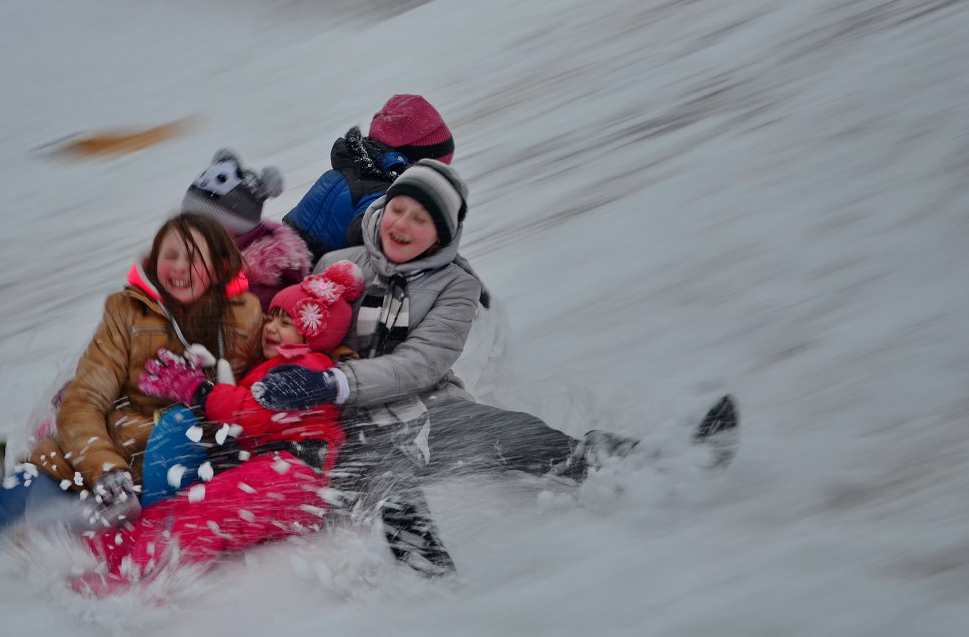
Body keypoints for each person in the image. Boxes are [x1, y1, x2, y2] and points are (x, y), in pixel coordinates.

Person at [251, 160, 740, 576]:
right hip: (350, 426)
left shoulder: (455, 286)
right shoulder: (338, 265)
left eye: (420, 219)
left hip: (431, 410)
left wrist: (337, 380)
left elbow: (423, 364)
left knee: (518, 433)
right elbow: (296, 331)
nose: (401, 224)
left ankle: (656, 463)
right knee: (392, 486)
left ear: (441, 234)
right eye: (398, 208)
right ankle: (427, 594)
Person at [0, 213, 264, 550]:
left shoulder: (243, 318)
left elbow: (252, 394)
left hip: (167, 470)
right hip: (87, 464)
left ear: (218, 266)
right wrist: (105, 470)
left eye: (193, 259)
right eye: (170, 256)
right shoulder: (128, 312)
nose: (178, 268)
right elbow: (84, 400)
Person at [73, 262, 364, 592]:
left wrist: (199, 391)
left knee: (207, 512)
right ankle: (103, 548)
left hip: (297, 476)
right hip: (271, 470)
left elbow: (249, 414)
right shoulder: (272, 366)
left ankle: (142, 582)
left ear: (314, 334)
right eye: (271, 317)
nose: (271, 326)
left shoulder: (308, 369)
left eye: (287, 323)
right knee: (185, 503)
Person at [283, 94, 455, 263]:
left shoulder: (343, 173)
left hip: (286, 253)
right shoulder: (385, 195)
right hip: (313, 276)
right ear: (416, 164)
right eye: (435, 173)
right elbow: (375, 244)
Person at [181, 147, 311, 312]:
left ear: (232, 228)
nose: (190, 231)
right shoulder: (211, 252)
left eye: (201, 226)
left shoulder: (257, 283)